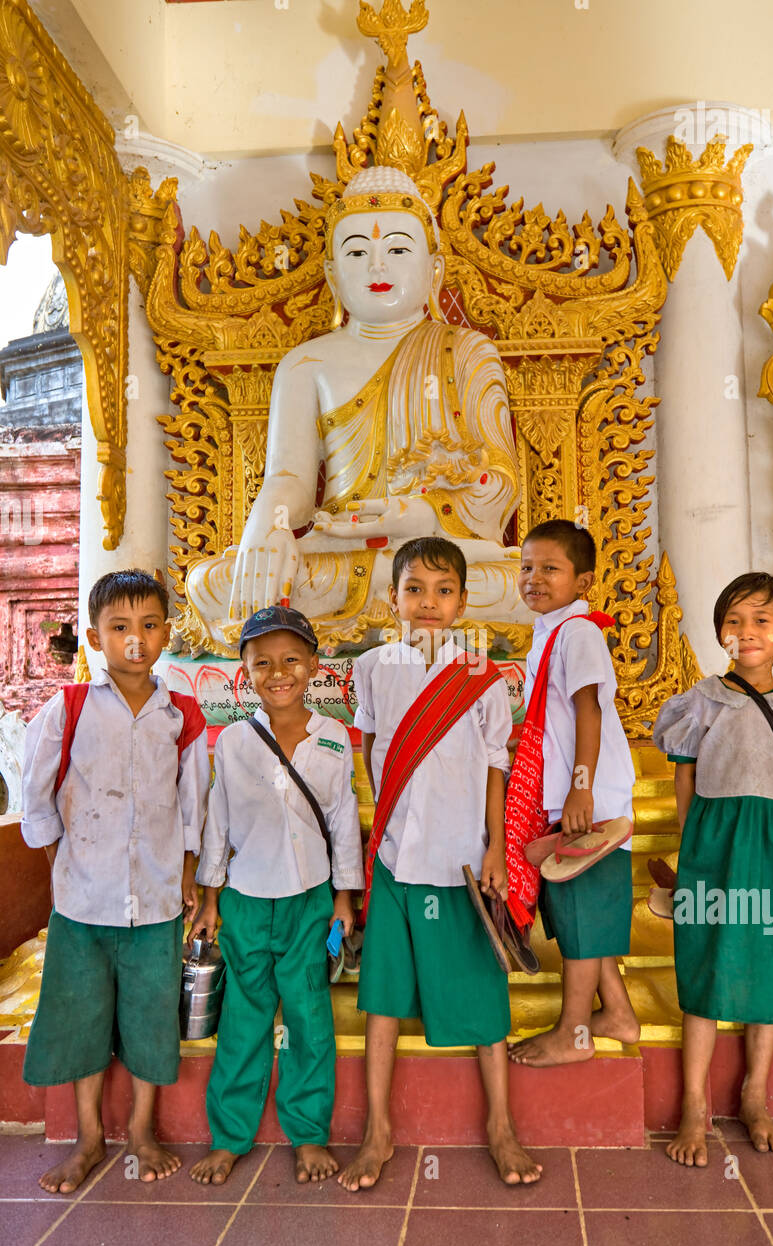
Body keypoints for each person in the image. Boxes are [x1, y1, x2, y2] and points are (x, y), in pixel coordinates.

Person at [183, 164, 529, 653]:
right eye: (358, 253)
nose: (377, 268)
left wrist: (419, 514)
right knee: (211, 582)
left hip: (435, 556)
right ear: (331, 274)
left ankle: (386, 609)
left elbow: (500, 480)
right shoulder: (306, 363)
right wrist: (271, 530)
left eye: (398, 250)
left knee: (523, 585)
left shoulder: (467, 351)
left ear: (435, 269)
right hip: (339, 551)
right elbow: (291, 479)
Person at [338, 537, 542, 1190]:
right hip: (396, 863)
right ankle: (378, 1133)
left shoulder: (482, 676)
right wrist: (375, 837)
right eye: (415, 589)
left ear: (461, 601)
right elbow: (369, 755)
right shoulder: (370, 668)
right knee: (382, 1002)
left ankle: (501, 1128)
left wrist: (494, 849)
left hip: (461, 863)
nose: (428, 602)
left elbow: (494, 766)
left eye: (443, 590)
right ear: (392, 597)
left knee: (485, 994)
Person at [20, 569, 209, 1193]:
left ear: (166, 633)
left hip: (155, 901)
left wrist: (188, 872)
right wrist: (57, 866)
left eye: (149, 626)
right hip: (83, 900)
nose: (136, 640)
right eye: (120, 628)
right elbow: (37, 790)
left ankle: (144, 1131)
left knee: (152, 1018)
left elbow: (193, 802)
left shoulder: (179, 714)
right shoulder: (70, 707)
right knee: (83, 1018)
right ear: (97, 638)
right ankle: (88, 1139)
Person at [653, 572, 773, 1165]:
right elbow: (684, 777)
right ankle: (692, 1106)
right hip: (714, 844)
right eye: (734, 621)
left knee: (769, 966)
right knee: (707, 962)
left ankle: (754, 1096)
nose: (746, 632)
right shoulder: (701, 702)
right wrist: (692, 846)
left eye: (762, 621)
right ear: (720, 633)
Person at [189, 605, 364, 1185]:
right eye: (262, 663)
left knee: (310, 1014)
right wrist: (210, 898)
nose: (278, 672)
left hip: (310, 898)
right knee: (245, 1015)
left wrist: (344, 897)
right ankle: (230, 1135)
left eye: (292, 660)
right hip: (243, 898)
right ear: (245, 673)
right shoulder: (234, 741)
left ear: (314, 665)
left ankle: (309, 1134)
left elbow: (342, 821)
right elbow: (218, 822)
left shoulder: (334, 737)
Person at [507, 521, 639, 1068]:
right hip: (568, 795)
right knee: (581, 918)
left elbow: (588, 709)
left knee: (582, 915)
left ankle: (573, 1033)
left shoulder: (579, 632)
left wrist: (581, 789)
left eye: (550, 569)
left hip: (591, 798)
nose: (534, 579)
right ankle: (619, 1015)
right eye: (527, 568)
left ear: (583, 581)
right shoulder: (550, 630)